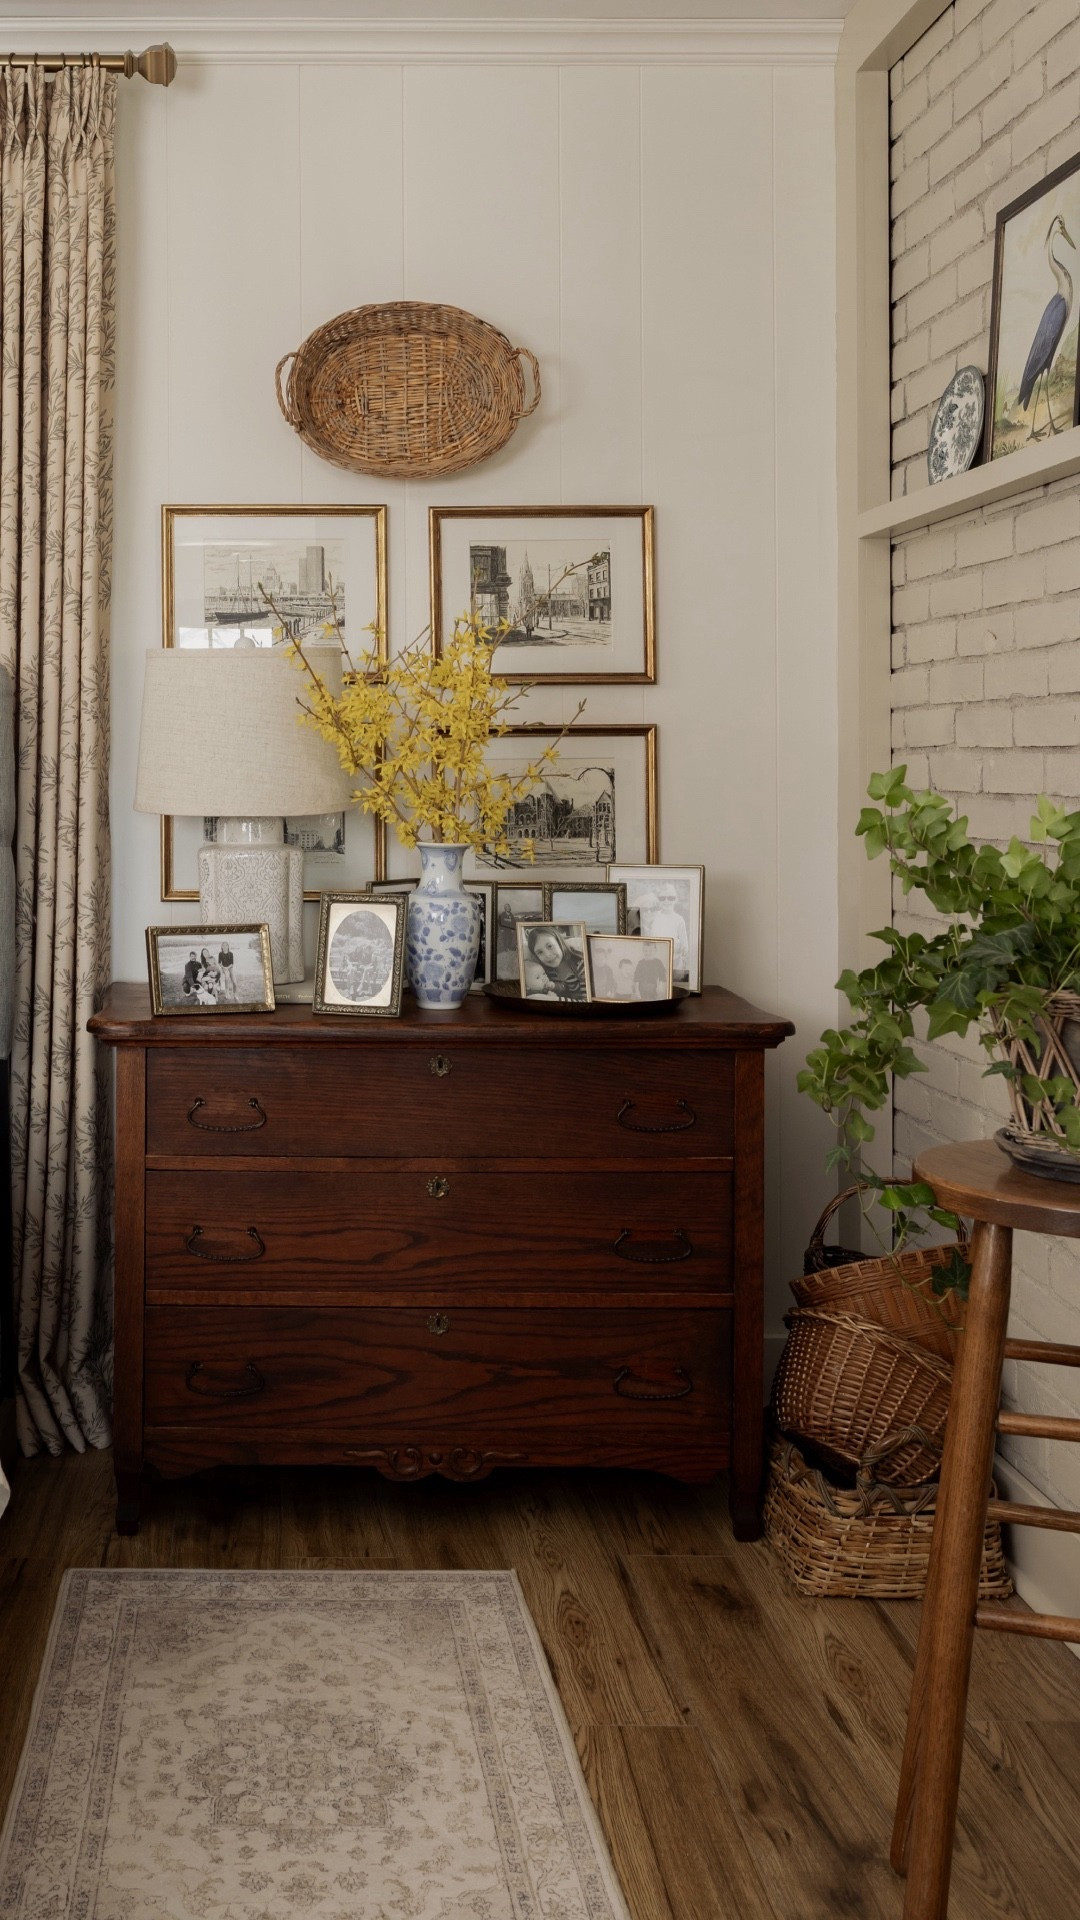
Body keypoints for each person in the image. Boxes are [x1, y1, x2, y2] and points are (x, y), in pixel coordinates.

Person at [522, 925, 588, 1001]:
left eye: (549, 946)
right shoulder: (547, 971)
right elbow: (561, 989)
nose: (547, 955)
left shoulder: (581, 964)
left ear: (559, 943)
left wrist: (555, 999)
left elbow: (586, 1003)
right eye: (540, 952)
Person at [639, 882, 689, 983]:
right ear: (658, 900)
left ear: (676, 899)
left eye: (670, 898)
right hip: (653, 961)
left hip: (674, 962)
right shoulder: (653, 916)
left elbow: (685, 947)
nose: (666, 901)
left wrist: (680, 967)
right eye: (662, 898)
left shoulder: (679, 920)